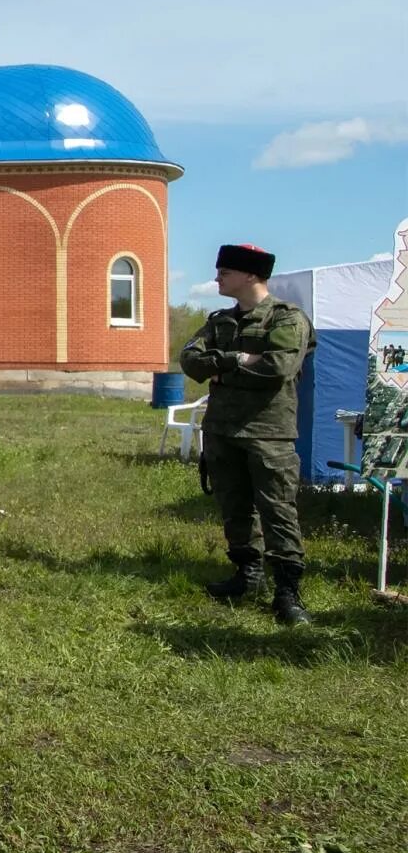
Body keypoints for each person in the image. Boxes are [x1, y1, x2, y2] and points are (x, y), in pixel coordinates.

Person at [180, 243, 317, 625]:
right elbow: (190, 361)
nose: (217, 278)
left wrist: (221, 369)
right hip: (222, 430)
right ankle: (247, 575)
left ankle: (287, 591)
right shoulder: (220, 320)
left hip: (268, 433)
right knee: (234, 507)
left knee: (277, 510)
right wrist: (238, 359)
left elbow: (279, 367)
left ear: (251, 275)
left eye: (224, 272)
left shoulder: (286, 319)